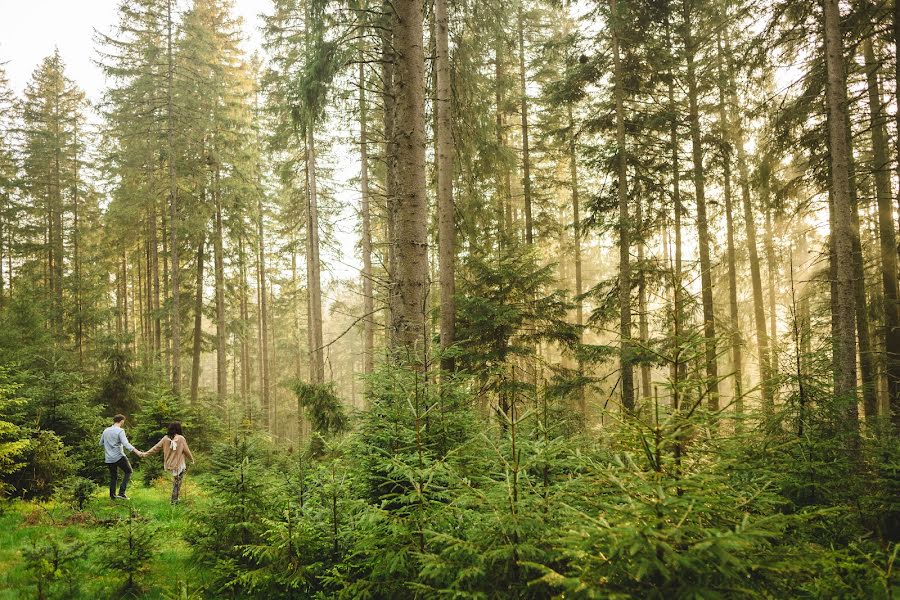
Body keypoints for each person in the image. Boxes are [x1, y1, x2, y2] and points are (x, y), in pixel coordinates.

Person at [139, 421, 195, 504]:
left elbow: (156, 448)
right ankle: (174, 501)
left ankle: (175, 498)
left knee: (175, 482)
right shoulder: (181, 438)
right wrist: (192, 460)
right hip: (179, 465)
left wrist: (145, 454)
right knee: (177, 483)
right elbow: (186, 451)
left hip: (169, 464)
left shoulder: (165, 438)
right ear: (178, 429)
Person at [99, 414, 141, 500]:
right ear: (121, 421)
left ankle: (112, 496)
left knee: (113, 476)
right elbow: (126, 444)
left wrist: (109, 445)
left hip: (109, 458)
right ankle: (121, 493)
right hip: (119, 456)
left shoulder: (106, 430)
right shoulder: (120, 431)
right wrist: (137, 452)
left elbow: (100, 443)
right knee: (129, 471)